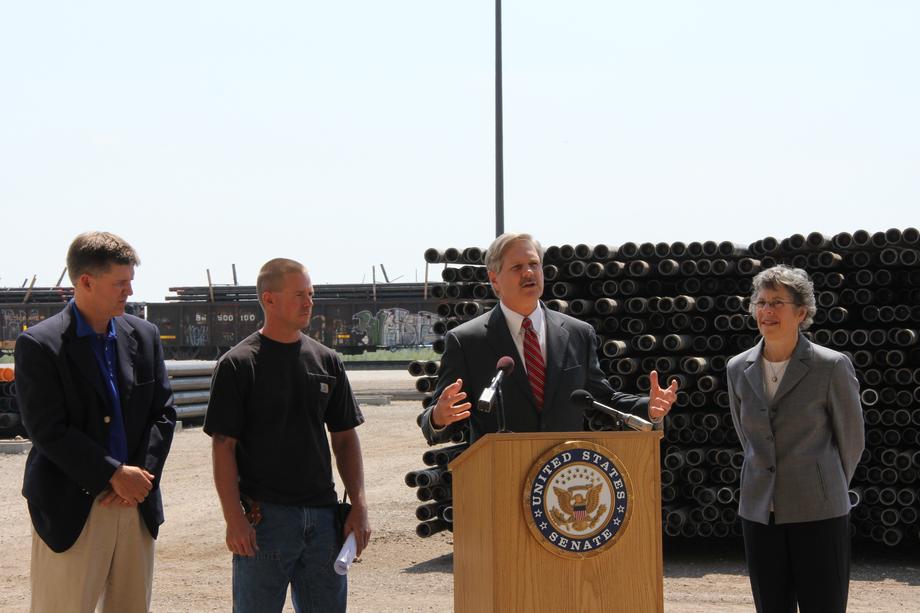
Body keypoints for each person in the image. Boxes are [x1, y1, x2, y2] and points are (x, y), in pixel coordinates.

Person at [14, 231, 176, 613]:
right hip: (72, 508)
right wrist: (112, 474)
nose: (129, 291)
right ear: (85, 281)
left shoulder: (146, 336)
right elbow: (47, 429)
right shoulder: (40, 344)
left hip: (135, 504)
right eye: (120, 283)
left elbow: (164, 413)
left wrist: (139, 479)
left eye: (131, 281)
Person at [205, 258, 370, 613]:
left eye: (310, 293)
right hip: (265, 522)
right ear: (269, 299)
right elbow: (224, 447)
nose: (309, 302)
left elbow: (344, 438)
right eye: (299, 294)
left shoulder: (327, 361)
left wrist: (359, 505)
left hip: (324, 520)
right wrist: (233, 517)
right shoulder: (238, 364)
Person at [421, 232, 678, 445]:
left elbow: (602, 398)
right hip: (499, 480)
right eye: (517, 267)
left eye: (534, 264)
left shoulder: (578, 333)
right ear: (494, 280)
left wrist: (649, 407)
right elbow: (434, 419)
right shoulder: (467, 341)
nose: (529, 273)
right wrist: (438, 417)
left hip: (564, 473)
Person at [726, 265, 864, 613]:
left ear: (801, 312)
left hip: (819, 512)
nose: (766, 311)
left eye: (776, 302)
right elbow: (748, 438)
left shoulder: (831, 366)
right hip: (760, 512)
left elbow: (851, 439)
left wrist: (825, 484)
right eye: (760, 302)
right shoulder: (737, 367)